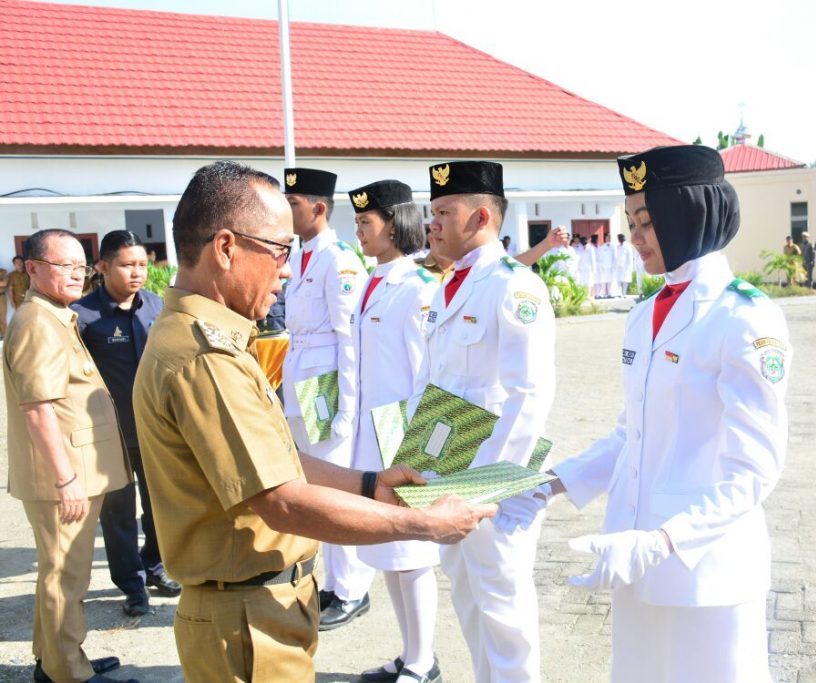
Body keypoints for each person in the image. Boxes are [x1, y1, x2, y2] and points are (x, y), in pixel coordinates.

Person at [132, 160, 494, 683]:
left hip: (252, 611)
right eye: (279, 250)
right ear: (226, 247)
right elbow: (280, 500)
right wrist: (425, 524)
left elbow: (269, 458)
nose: (286, 267)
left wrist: (369, 484)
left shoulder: (205, 338)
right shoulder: (204, 358)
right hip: (247, 624)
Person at [499, 145, 789, 682]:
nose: (634, 236)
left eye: (648, 221)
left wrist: (664, 542)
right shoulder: (643, 314)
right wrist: (548, 485)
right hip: (635, 554)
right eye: (631, 220)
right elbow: (631, 435)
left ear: (689, 214)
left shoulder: (743, 317)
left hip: (704, 566)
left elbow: (754, 471)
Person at [410, 160, 556, 682]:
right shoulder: (448, 285)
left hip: (492, 483)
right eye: (433, 213)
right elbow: (433, 386)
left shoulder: (513, 286)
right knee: (469, 601)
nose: (433, 224)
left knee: (505, 612)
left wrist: (488, 486)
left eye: (444, 212)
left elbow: (530, 394)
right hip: (445, 476)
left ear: (479, 219)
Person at [5, 229, 136, 683]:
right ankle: (69, 673)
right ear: (34, 269)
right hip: (63, 477)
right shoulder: (37, 322)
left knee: (59, 573)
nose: (77, 275)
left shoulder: (54, 314)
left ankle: (55, 659)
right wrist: (65, 480)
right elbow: (37, 409)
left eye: (82, 266)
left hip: (74, 471)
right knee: (67, 579)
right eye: (65, 266)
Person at [347, 180, 443, 683]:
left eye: (367, 222)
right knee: (386, 549)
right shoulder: (373, 280)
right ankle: (409, 654)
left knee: (412, 553)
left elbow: (425, 373)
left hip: (402, 436)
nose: (359, 230)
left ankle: (425, 662)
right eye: (359, 222)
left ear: (395, 223)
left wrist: (419, 447)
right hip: (371, 435)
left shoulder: (419, 288)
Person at [279, 167, 375, 629]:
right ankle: (334, 583)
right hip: (300, 381)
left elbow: (349, 340)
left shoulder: (340, 259)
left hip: (327, 388)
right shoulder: (300, 257)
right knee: (312, 488)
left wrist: (347, 409)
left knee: (335, 488)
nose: (285, 210)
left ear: (318, 208)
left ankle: (352, 588)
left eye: (293, 204)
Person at [72, 231, 179, 619]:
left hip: (156, 431)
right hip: (109, 436)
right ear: (102, 267)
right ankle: (132, 585)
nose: (136, 272)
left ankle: (155, 567)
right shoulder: (83, 317)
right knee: (118, 514)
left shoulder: (157, 306)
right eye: (126, 265)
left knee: (160, 507)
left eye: (141, 264)